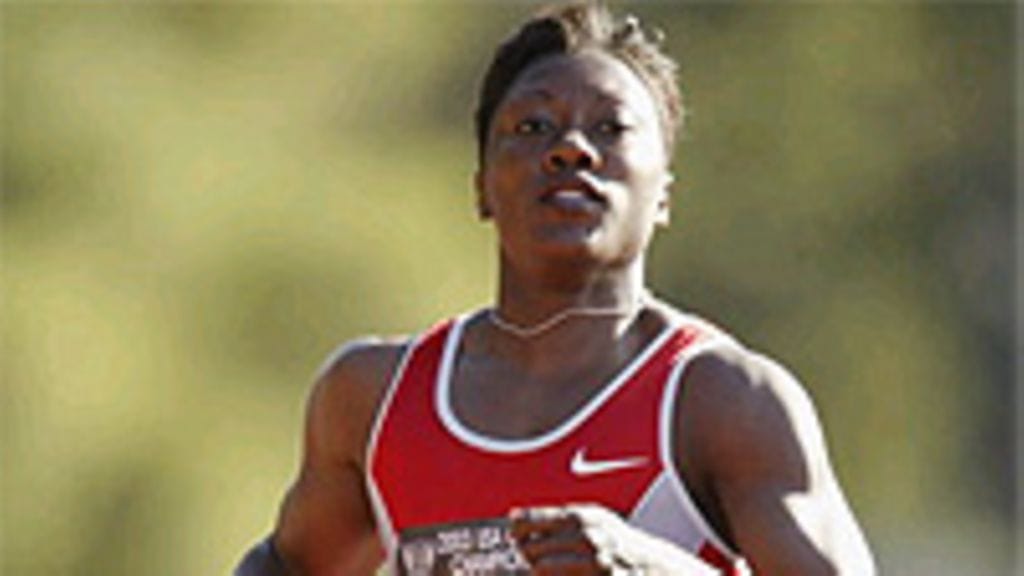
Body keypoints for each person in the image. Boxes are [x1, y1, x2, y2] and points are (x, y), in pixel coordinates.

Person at [234, 2, 876, 575]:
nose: (571, 149)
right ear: (482, 186)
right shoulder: (373, 401)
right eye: (532, 128)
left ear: (664, 196)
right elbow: (287, 563)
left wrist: (654, 569)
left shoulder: (725, 402)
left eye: (610, 128)